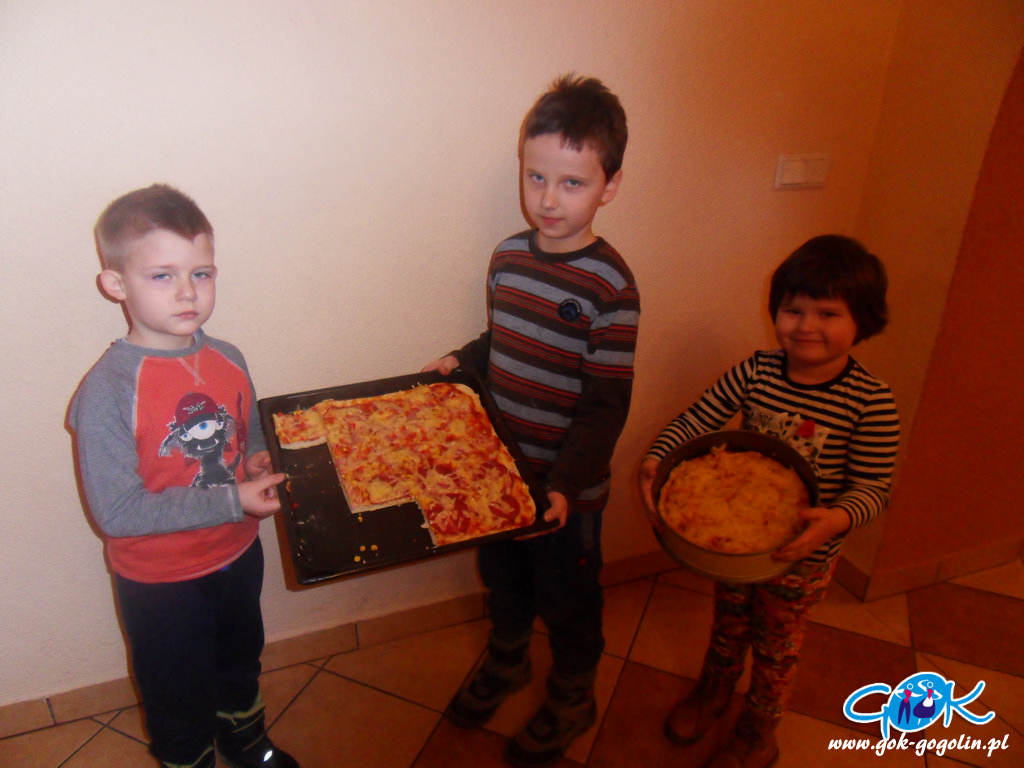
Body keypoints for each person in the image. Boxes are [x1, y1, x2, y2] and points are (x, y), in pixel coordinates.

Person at [423, 74, 639, 767]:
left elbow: (606, 404)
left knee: (568, 598)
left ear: (609, 185)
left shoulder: (611, 286)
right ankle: (508, 660)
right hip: (502, 475)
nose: (548, 199)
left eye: (572, 183)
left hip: (565, 493)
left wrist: (564, 486)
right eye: (536, 176)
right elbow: (503, 341)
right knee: (505, 578)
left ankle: (574, 696)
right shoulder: (508, 258)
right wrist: (462, 360)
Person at [637, 235, 900, 768]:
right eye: (793, 309)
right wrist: (656, 460)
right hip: (734, 548)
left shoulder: (871, 401)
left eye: (828, 313)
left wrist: (836, 518)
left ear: (863, 320)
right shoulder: (756, 370)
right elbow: (698, 419)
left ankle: (758, 730)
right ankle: (713, 694)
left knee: (777, 648)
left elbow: (874, 487)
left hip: (804, 557)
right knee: (728, 626)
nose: (806, 326)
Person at [68, 184, 300, 768]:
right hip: (161, 582)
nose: (188, 292)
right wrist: (233, 499)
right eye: (162, 276)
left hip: (236, 554)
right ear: (116, 284)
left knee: (239, 662)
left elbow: (246, 429)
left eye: (201, 273)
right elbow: (117, 512)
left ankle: (247, 745)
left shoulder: (228, 356)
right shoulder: (107, 391)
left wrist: (256, 459)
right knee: (175, 691)